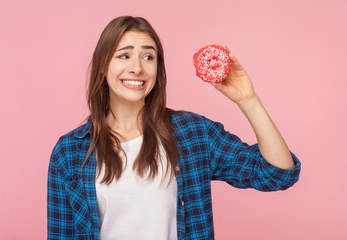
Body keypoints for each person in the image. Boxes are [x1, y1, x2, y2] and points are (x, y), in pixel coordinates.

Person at [47, 16, 301, 240]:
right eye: (124, 55)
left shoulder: (192, 133)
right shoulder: (70, 151)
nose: (137, 67)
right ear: (103, 66)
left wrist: (248, 100)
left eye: (148, 57)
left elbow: (277, 174)